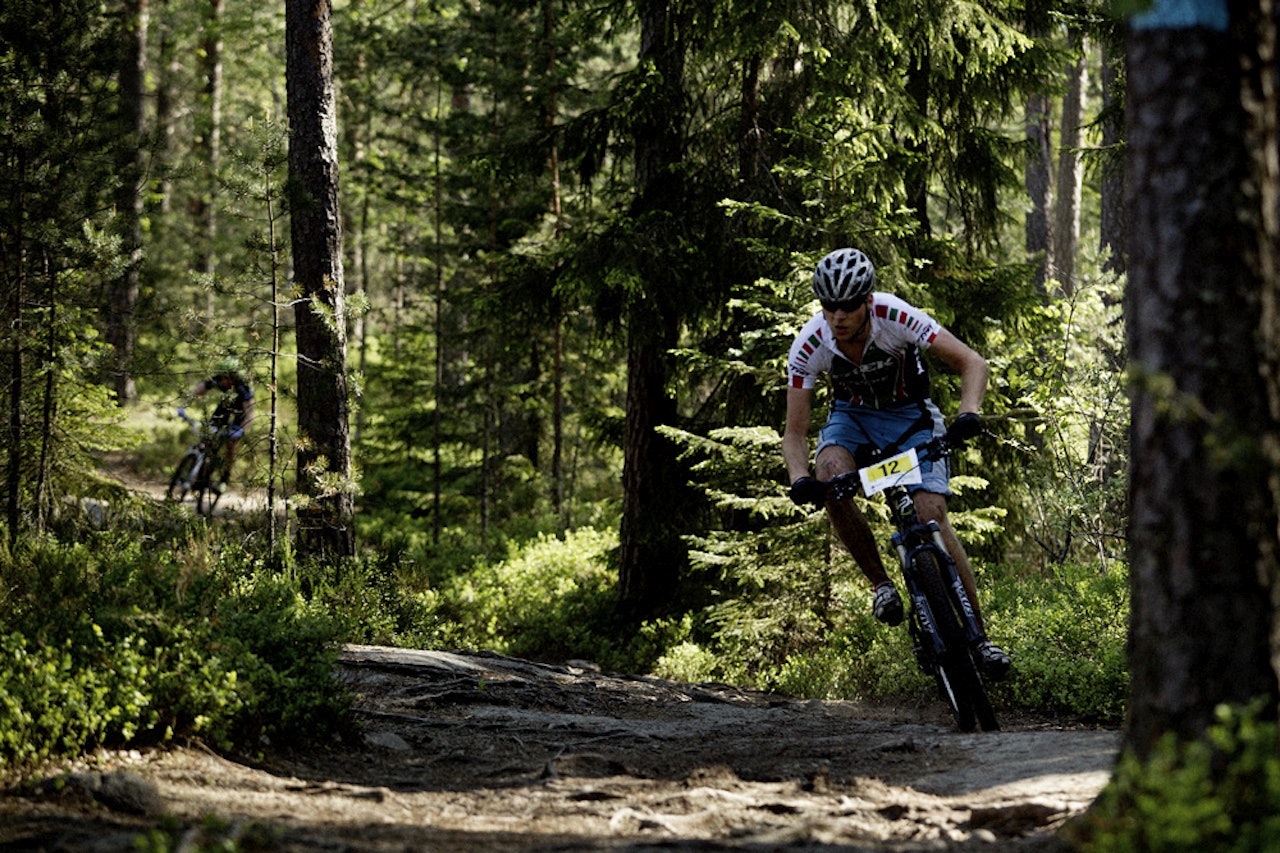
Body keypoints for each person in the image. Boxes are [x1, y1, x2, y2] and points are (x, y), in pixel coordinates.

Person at [782, 248, 1011, 679]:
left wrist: (969, 413)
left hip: (910, 419)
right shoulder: (810, 343)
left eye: (848, 305)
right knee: (829, 475)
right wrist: (799, 479)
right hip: (852, 422)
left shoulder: (895, 315)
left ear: (867, 300)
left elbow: (971, 362)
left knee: (932, 514)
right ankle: (882, 586)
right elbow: (794, 434)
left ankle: (981, 640)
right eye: (828, 306)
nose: (838, 316)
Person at [183, 356, 254, 490]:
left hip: (240, 413)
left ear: (235, 377)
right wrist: (184, 404)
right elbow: (199, 389)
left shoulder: (243, 388)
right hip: (225, 407)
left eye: (228, 378)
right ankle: (200, 474)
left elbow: (250, 412)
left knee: (230, 445)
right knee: (207, 435)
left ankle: (225, 478)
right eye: (222, 377)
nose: (224, 381)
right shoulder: (218, 379)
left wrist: (242, 429)